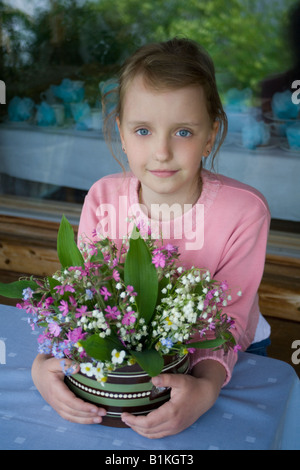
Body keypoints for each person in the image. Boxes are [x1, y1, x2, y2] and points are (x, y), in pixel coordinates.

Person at [31, 37, 271, 438]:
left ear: (210, 136)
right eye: (143, 130)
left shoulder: (244, 212)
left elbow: (232, 321)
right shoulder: (104, 199)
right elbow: (85, 298)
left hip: (225, 356)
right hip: (133, 362)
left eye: (182, 132)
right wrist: (45, 364)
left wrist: (207, 388)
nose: (161, 152)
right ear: (121, 133)